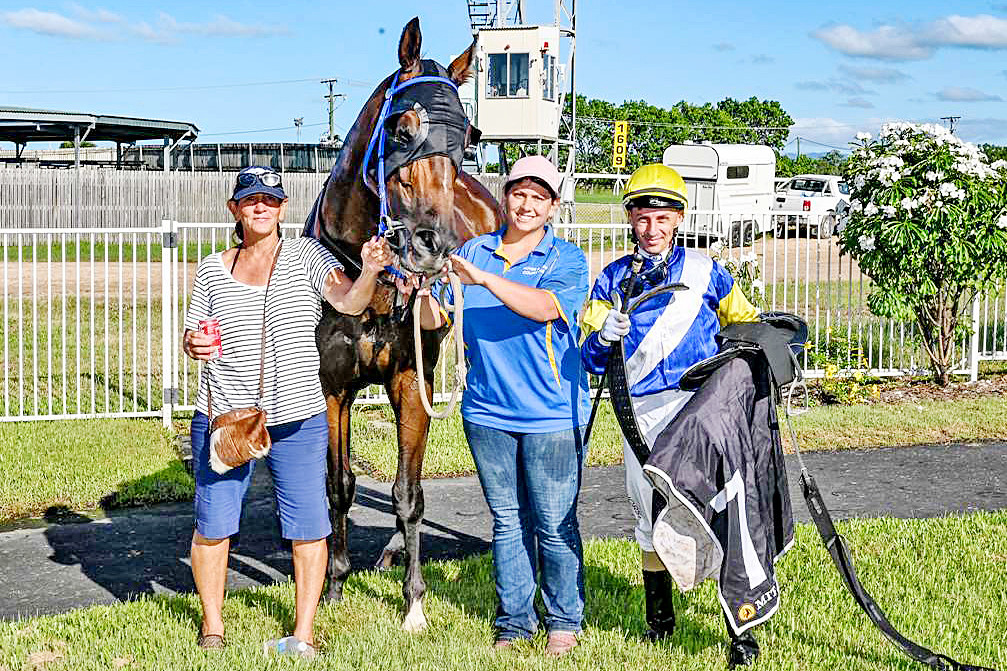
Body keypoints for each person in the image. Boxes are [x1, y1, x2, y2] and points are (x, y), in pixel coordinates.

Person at [182, 165, 392, 659]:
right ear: (234, 208)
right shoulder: (213, 268)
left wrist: (369, 271)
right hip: (226, 416)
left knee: (308, 524)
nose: (262, 207)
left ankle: (303, 632)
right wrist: (194, 343)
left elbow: (347, 299)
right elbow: (193, 334)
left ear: (283, 208)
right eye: (251, 199)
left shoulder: (305, 255)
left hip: (297, 413)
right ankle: (212, 628)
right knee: (213, 523)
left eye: (272, 200)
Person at [579, 164, 762, 667]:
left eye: (662, 217)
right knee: (649, 518)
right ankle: (659, 623)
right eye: (642, 217)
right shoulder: (612, 277)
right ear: (631, 219)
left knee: (722, 513)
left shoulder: (708, 270)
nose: (652, 228)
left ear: (679, 219)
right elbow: (589, 357)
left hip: (700, 412)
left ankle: (740, 631)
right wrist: (604, 335)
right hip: (638, 413)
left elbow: (745, 328)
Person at [414, 155, 590, 656]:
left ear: (553, 206)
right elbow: (435, 321)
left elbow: (543, 310)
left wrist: (484, 280)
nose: (527, 204)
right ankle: (515, 623)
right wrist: (422, 291)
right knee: (507, 521)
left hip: (553, 413)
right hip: (487, 411)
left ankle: (563, 620)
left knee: (554, 524)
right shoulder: (476, 250)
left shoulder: (566, 260)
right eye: (519, 193)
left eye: (539, 196)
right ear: (505, 195)